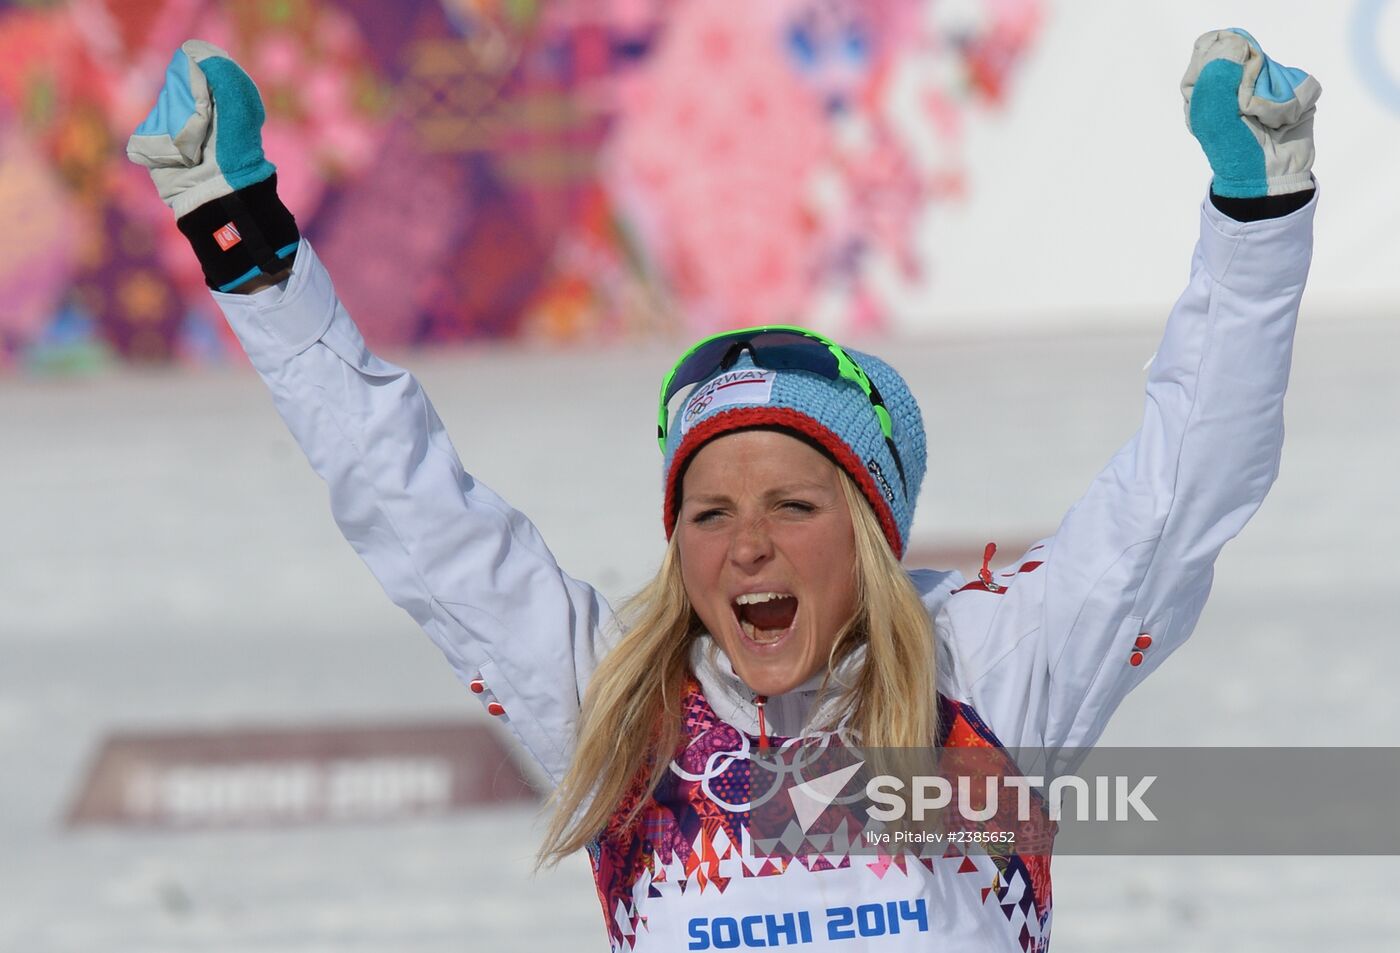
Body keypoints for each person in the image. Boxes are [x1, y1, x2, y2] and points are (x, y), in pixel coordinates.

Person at [128, 28, 1319, 952]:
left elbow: (1184, 487)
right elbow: (408, 505)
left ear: (865, 533)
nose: (744, 546)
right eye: (709, 512)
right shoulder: (617, 713)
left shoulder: (994, 672)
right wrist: (245, 242)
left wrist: (1255, 222)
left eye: (792, 506)